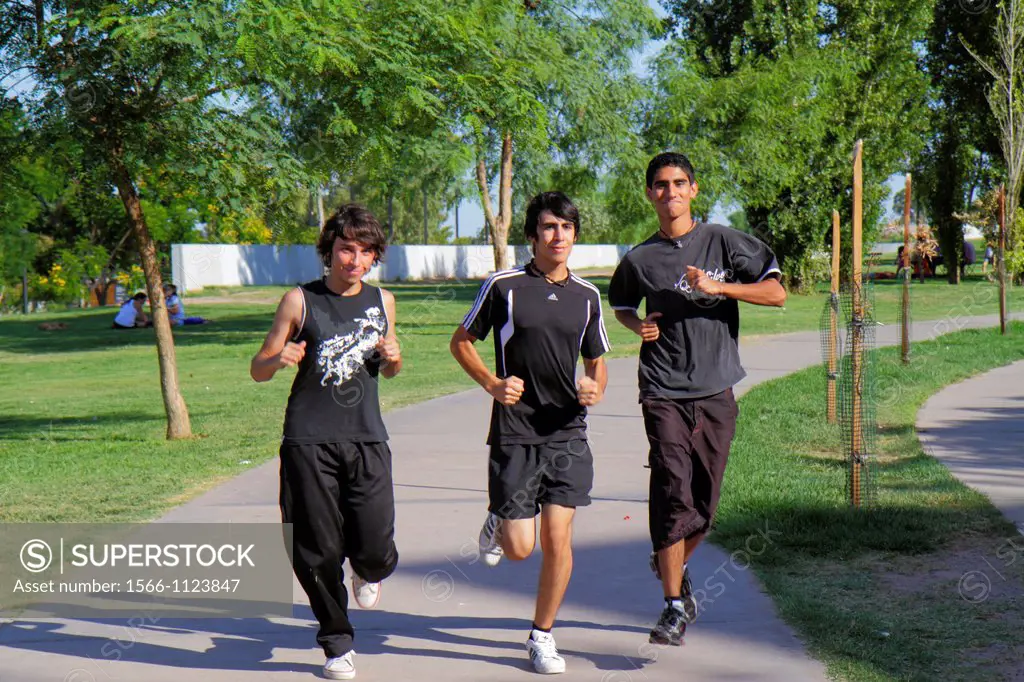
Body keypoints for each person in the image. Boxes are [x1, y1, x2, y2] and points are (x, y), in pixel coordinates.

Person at [608, 152, 786, 647]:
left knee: (704, 507)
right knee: (671, 493)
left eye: (679, 183)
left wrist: (720, 287)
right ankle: (672, 605)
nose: (670, 193)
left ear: (694, 189)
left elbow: (777, 294)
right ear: (650, 194)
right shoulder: (639, 259)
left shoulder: (723, 241)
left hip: (715, 389)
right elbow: (620, 302)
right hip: (662, 389)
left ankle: (670, 557)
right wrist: (635, 325)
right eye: (661, 185)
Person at [449, 191, 610, 675]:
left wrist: (594, 389)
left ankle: (542, 635)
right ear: (532, 235)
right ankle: (499, 520)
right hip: (516, 432)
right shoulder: (505, 285)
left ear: (575, 234)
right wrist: (493, 384)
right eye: (548, 227)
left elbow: (598, 364)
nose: (557, 235)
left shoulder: (587, 296)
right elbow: (461, 342)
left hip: (566, 432)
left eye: (565, 227)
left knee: (559, 538)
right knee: (521, 548)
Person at [250, 204, 402, 681]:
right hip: (308, 440)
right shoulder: (299, 301)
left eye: (364, 252)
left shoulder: (384, 301)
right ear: (330, 249)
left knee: (377, 547)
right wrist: (279, 358)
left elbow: (389, 368)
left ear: (375, 256)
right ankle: (337, 642)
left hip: (366, 437)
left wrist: (395, 358)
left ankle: (367, 569)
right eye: (345, 249)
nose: (353, 260)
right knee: (316, 548)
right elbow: (258, 368)